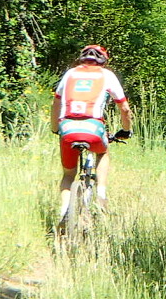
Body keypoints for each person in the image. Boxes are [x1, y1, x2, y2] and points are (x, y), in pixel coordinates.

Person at [51, 45, 132, 225]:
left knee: (68, 175)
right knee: (102, 152)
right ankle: (101, 195)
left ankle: (64, 211)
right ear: (103, 61)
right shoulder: (107, 75)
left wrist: (55, 128)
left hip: (67, 128)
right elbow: (125, 108)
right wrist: (126, 130)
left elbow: (55, 103)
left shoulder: (70, 74)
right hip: (93, 128)